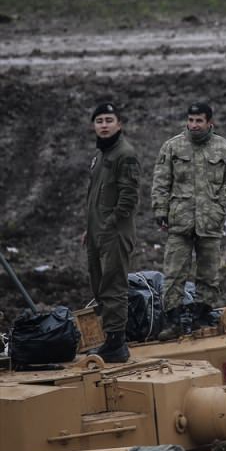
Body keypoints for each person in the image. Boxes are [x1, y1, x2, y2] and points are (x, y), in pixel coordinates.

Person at [152, 102, 226, 340]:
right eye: (191, 120)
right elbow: (161, 181)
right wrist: (160, 210)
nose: (194, 125)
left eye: (199, 121)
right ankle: (173, 321)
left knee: (209, 273)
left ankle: (202, 317)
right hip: (179, 221)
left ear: (209, 122)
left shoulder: (224, 147)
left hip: (210, 221)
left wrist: (221, 204)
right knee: (174, 273)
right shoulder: (172, 146)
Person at [84, 102, 141, 363]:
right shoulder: (101, 155)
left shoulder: (124, 154)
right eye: (99, 121)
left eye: (109, 120)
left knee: (113, 286)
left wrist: (109, 224)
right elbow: (95, 197)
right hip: (97, 232)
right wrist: (90, 228)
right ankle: (110, 338)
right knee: (99, 285)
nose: (104, 125)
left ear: (119, 124)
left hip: (114, 233)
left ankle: (117, 344)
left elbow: (129, 197)